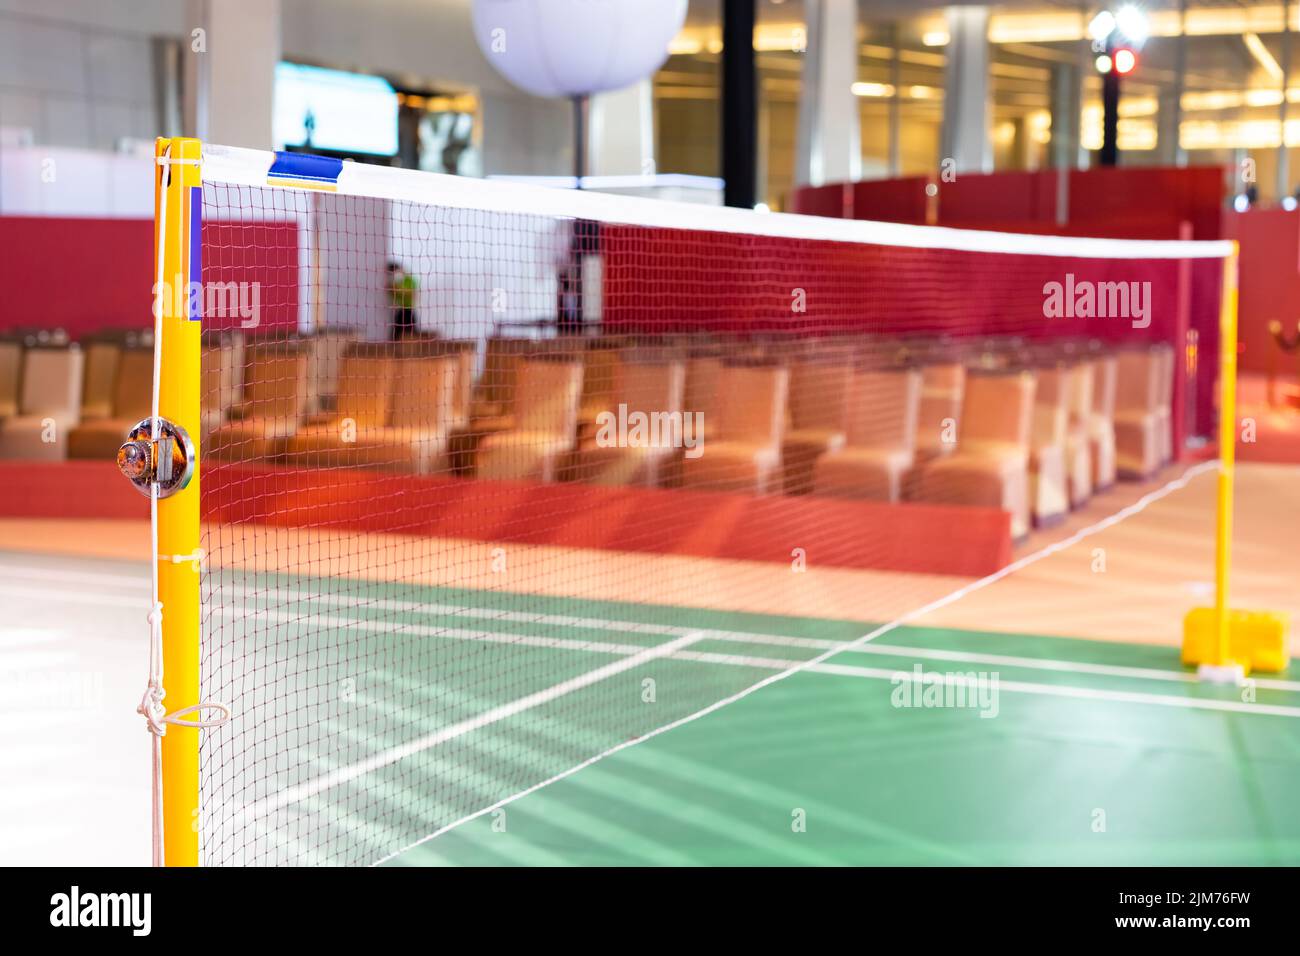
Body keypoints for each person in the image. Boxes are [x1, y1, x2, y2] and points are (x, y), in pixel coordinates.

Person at [387, 261, 418, 340]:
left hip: (409, 310)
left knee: (411, 332)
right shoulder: (397, 282)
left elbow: (412, 294)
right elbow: (394, 294)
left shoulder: (409, 280)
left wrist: (397, 290)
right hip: (401, 309)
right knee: (396, 332)